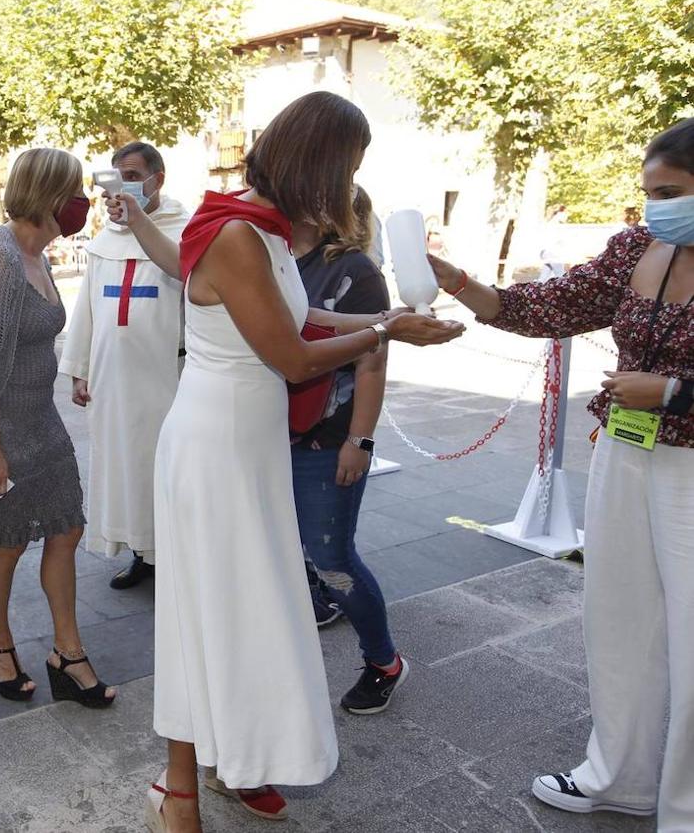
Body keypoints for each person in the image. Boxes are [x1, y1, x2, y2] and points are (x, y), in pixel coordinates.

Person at [105, 92, 462, 831]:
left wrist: (388, 320)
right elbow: (294, 357)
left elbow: (297, 317)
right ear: (320, 164)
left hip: (243, 443)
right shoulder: (240, 233)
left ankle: (232, 759)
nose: (349, 182)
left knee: (240, 613)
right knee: (208, 614)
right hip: (215, 449)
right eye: (349, 166)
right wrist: (383, 338)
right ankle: (178, 786)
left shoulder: (257, 229)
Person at [428, 117, 694, 828]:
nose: (655, 207)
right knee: (619, 618)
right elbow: (546, 306)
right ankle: (620, 776)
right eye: (648, 193)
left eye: (670, 192)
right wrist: (460, 283)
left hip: (691, 468)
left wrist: (674, 392)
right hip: (626, 453)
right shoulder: (641, 245)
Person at [0, 147, 115, 709]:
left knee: (65, 526)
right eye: (73, 190)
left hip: (36, 413)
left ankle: (68, 651)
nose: (81, 203)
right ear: (48, 194)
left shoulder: (37, 252)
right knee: (9, 538)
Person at [290, 185, 407, 714]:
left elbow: (372, 359)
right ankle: (321, 600)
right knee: (301, 551)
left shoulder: (356, 272)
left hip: (327, 439)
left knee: (333, 557)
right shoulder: (276, 257)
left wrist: (359, 442)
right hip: (270, 435)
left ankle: (383, 661)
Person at [58, 141, 191, 590]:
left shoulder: (183, 231)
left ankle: (173, 557)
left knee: (164, 467)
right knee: (125, 469)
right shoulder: (104, 241)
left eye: (133, 174)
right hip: (113, 380)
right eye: (118, 175)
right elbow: (87, 311)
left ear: (158, 178)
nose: (125, 185)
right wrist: (81, 369)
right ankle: (141, 553)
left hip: (165, 378)